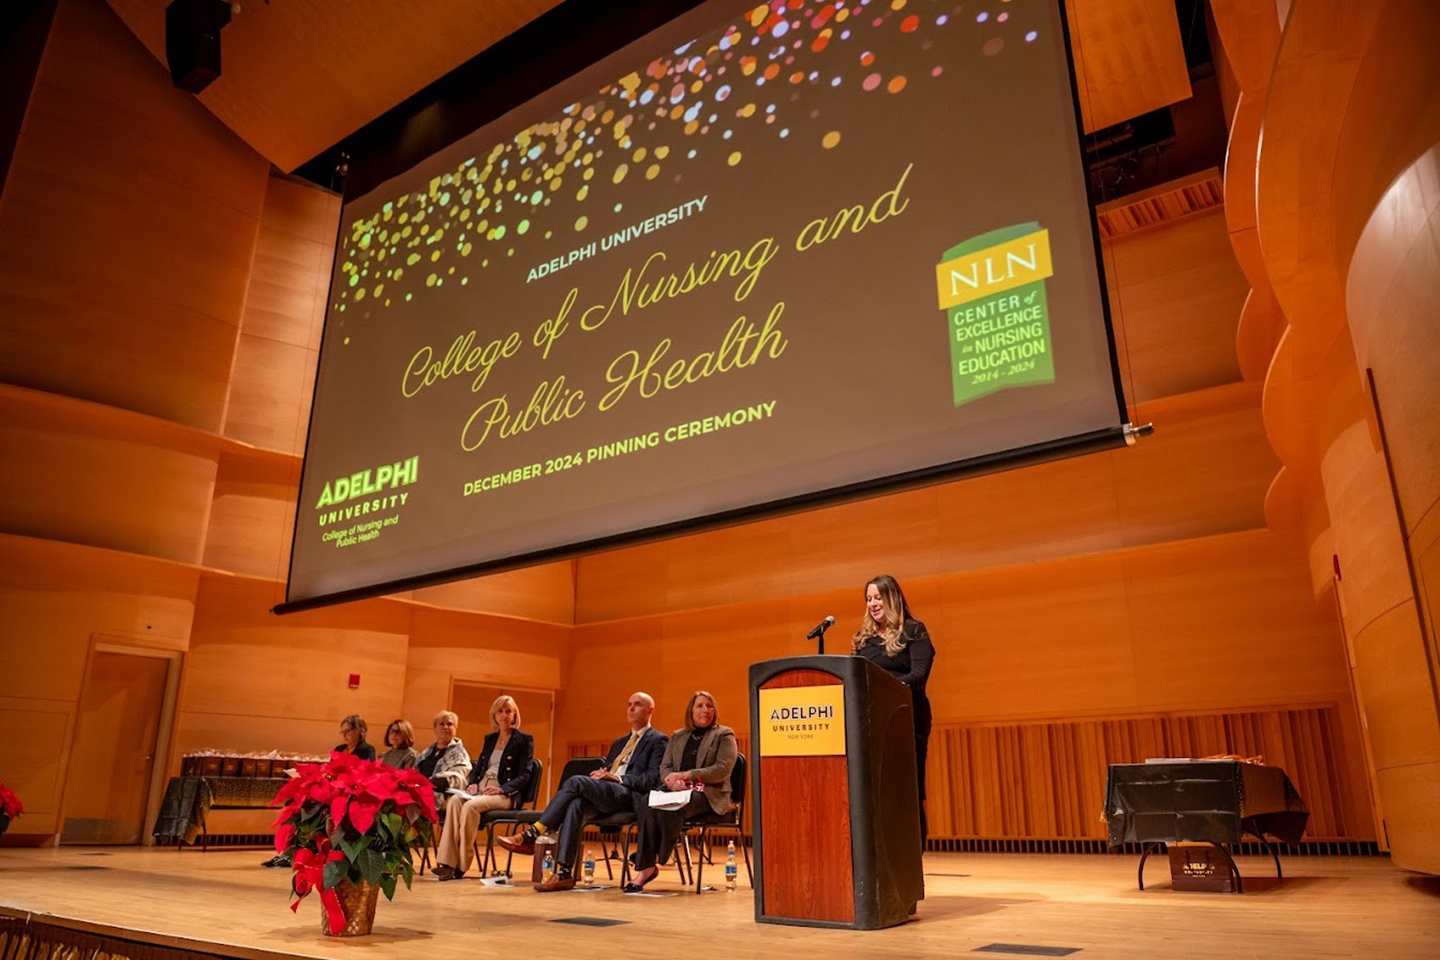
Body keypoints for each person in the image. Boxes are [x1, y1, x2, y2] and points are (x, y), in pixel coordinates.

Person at [498, 692, 667, 891]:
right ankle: (564, 873)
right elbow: (610, 768)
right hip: (608, 792)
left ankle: (534, 833)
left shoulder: (658, 740)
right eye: (629, 704)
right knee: (576, 805)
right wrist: (603, 774)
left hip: (628, 795)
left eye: (637, 705)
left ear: (650, 711)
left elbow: (652, 779)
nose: (630, 709)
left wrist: (617, 778)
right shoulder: (620, 742)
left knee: (576, 781)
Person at [852, 574, 936, 845]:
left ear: (892, 598)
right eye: (868, 599)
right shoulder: (863, 640)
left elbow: (919, 675)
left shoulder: (914, 631)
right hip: (872, 723)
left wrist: (884, 686)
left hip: (907, 719)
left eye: (878, 597)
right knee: (878, 789)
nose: (872, 604)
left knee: (907, 788)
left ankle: (911, 852)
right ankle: (883, 851)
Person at [626, 690, 736, 892]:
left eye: (709, 706)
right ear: (691, 711)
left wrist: (687, 775)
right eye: (700, 706)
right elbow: (665, 767)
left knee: (674, 805)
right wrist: (671, 782)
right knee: (646, 802)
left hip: (707, 793)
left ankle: (650, 862)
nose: (705, 710)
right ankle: (649, 865)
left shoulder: (724, 734)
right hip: (676, 791)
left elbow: (722, 770)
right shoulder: (678, 736)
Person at [435, 696, 534, 880]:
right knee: (455, 801)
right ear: (494, 715)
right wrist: (472, 784)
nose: (504, 715)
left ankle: (461, 865)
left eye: (508, 711)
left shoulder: (524, 740)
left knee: (470, 807)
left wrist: (503, 789)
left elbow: (525, 775)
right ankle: (447, 862)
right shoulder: (490, 739)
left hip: (505, 794)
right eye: (500, 711)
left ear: (514, 715)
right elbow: (478, 768)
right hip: (481, 790)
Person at [415, 710, 472, 804]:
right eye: (441, 724)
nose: (445, 727)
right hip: (420, 790)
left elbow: (457, 779)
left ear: (455, 728)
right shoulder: (427, 753)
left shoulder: (460, 754)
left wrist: (426, 785)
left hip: (442, 795)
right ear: (435, 728)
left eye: (450, 724)